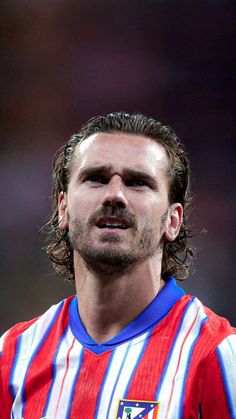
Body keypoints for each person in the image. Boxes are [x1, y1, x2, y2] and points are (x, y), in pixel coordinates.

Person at [0, 112, 235, 419]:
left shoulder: (217, 355)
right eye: (95, 178)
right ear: (63, 208)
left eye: (139, 183)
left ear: (173, 221)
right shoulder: (14, 356)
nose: (115, 195)